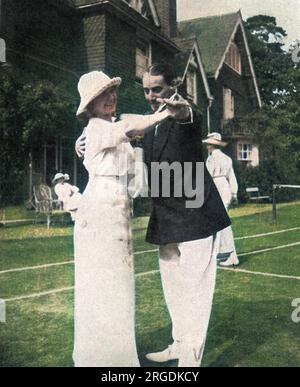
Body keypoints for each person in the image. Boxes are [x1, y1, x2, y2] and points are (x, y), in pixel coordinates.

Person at [76, 64, 231, 367]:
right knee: (174, 291)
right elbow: (113, 138)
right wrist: (81, 145)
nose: (150, 96)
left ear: (174, 85)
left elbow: (188, 117)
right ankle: (178, 344)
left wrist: (180, 109)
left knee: (196, 293)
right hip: (166, 219)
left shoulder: (185, 112)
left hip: (196, 216)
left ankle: (189, 362)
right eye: (146, 90)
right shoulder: (145, 122)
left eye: (156, 89)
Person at [73, 70, 186, 367]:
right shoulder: (97, 127)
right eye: (102, 95)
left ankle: (118, 358)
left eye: (111, 92)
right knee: (102, 286)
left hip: (119, 213)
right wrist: (164, 114)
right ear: (90, 105)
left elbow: (137, 181)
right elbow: (132, 126)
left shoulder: (107, 132)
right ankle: (98, 359)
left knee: (119, 286)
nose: (110, 98)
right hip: (98, 214)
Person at [203, 133, 239, 267]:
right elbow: (232, 177)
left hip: (217, 188)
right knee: (220, 222)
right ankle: (225, 253)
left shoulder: (211, 159)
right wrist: (234, 193)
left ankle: (231, 255)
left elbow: (207, 178)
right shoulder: (227, 158)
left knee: (223, 223)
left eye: (208, 144)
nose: (207, 146)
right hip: (226, 188)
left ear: (212, 145)